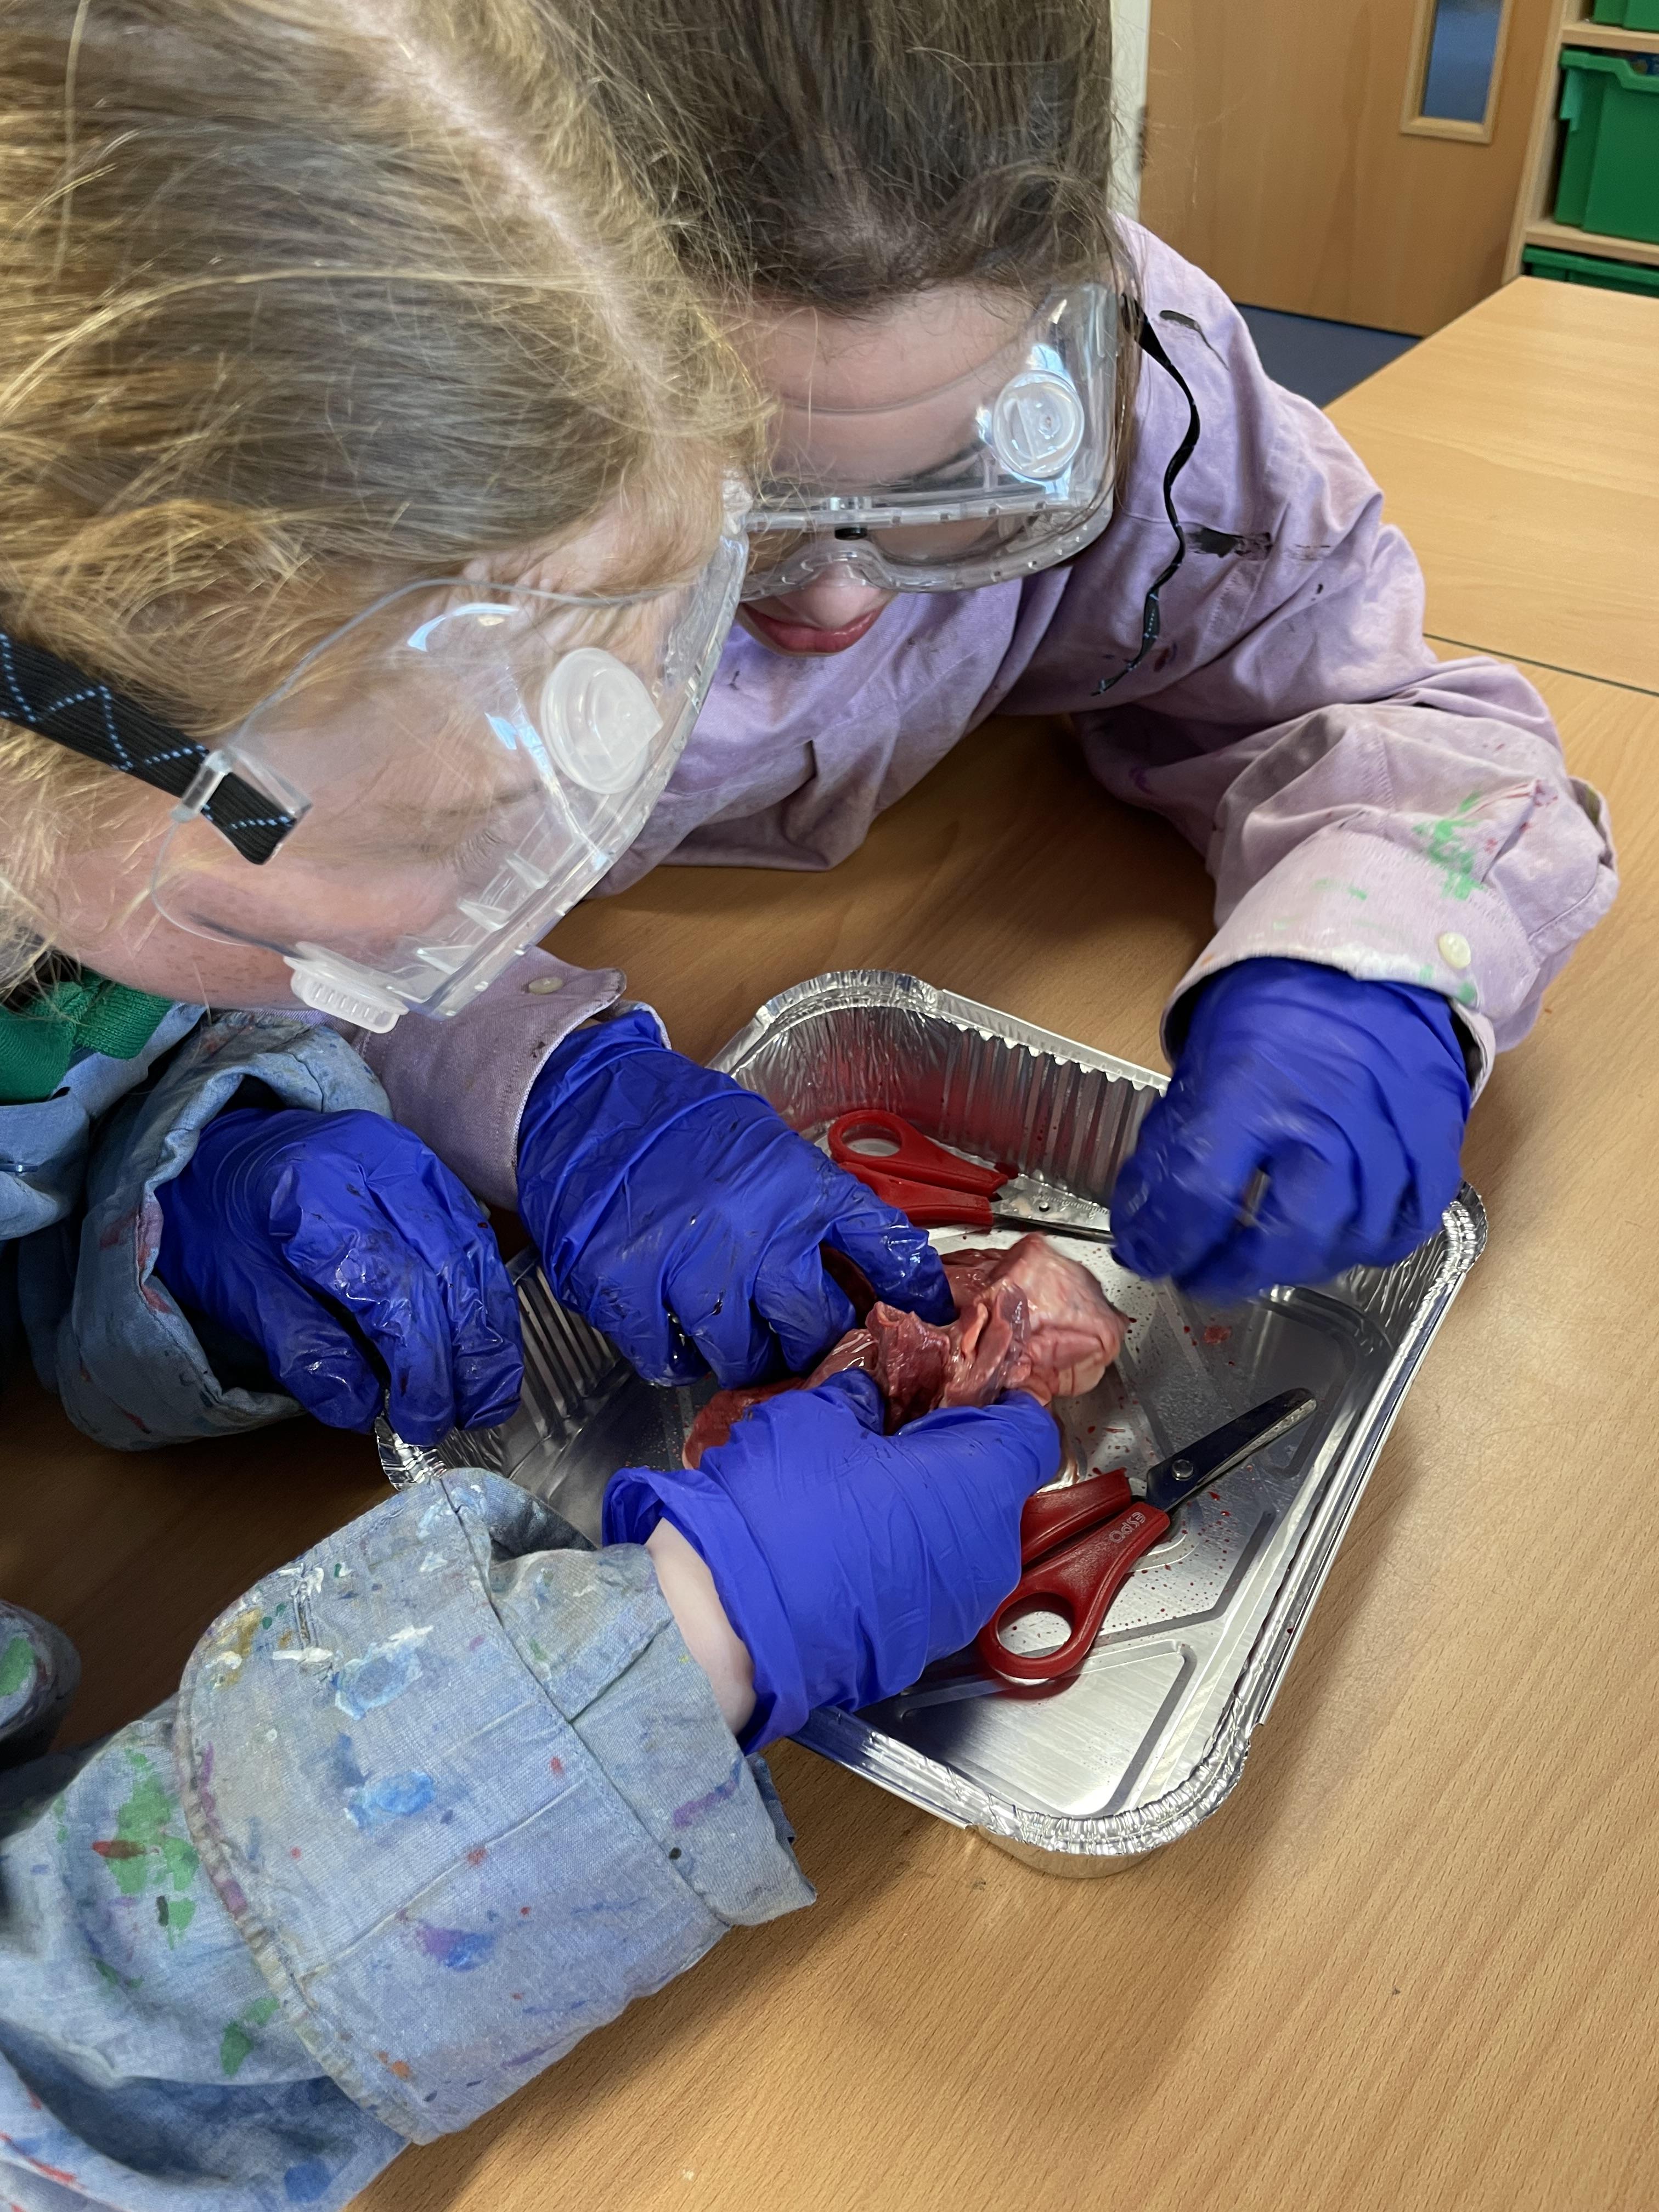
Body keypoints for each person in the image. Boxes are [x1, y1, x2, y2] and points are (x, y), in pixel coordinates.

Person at [0, 7, 1056, 2206]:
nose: (465, 924)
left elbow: (77, 1054)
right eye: (412, 833)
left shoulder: (84, 839)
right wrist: (642, 1686)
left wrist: (193, 1196)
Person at [565, 0, 1619, 1304]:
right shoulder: (391, 420)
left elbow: (1375, 694)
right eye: (740, 507)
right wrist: (495, 1069)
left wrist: (1372, 956)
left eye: (944, 484)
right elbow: (310, 885)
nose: (837, 602)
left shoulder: (1140, 384)